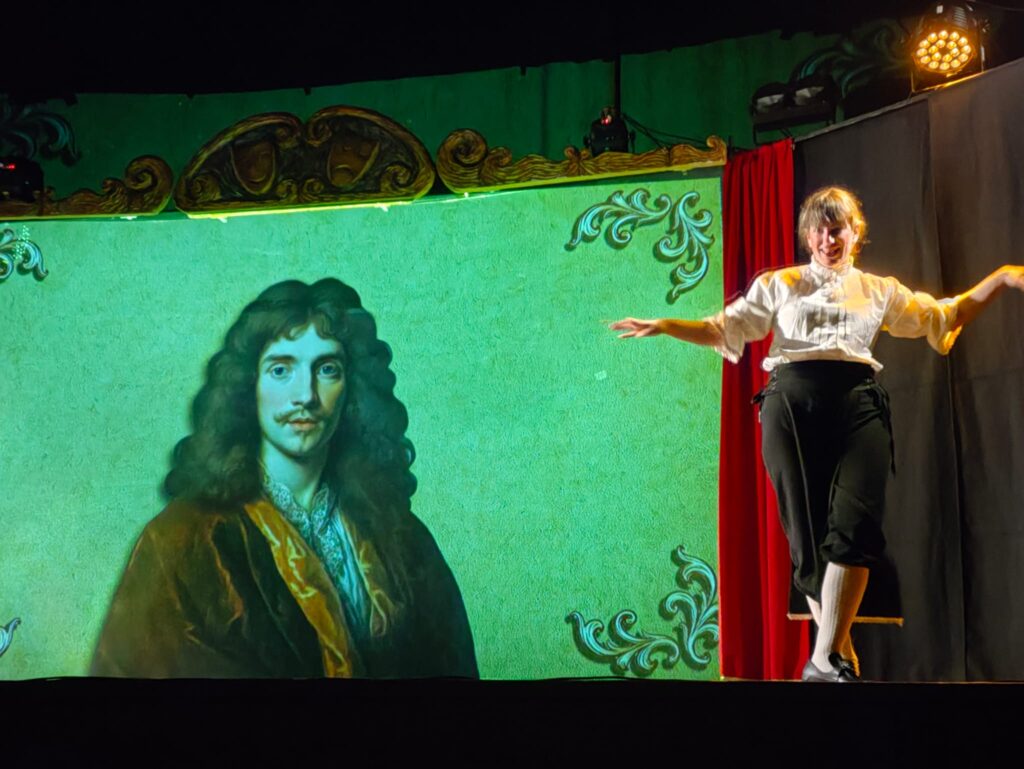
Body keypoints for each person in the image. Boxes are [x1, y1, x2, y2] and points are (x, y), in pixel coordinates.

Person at [611, 186, 1024, 682]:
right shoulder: (781, 284)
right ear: (808, 237)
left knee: (856, 525)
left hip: (858, 403)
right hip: (791, 403)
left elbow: (945, 316)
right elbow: (724, 327)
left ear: (855, 233)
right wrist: (665, 325)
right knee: (807, 540)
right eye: (821, 230)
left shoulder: (879, 290)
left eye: (838, 229)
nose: (830, 239)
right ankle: (835, 658)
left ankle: (824, 659)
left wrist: (1001, 278)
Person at [92, 278, 478, 679]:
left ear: (351, 388)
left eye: (327, 369)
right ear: (249, 386)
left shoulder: (402, 539)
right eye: (281, 370)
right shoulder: (183, 539)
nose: (306, 395)